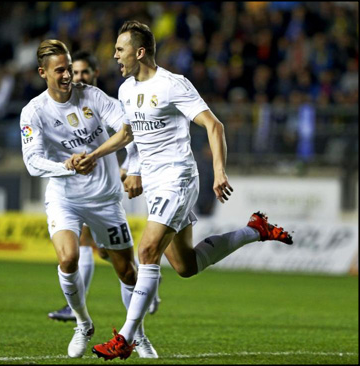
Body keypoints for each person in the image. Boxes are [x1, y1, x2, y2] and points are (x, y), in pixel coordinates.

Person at [72, 20, 293, 360]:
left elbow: (214, 125)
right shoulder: (127, 90)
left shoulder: (173, 85)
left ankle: (127, 339)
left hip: (178, 178)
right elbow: (128, 134)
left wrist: (219, 171)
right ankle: (254, 230)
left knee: (147, 252)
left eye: (120, 49)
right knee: (186, 266)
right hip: (156, 183)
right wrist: (95, 155)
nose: (114, 55)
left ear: (140, 52)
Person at [20, 39, 157, 358]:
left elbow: (130, 128)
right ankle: (82, 324)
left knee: (127, 271)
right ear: (43, 73)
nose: (68, 75)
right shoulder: (34, 112)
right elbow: (32, 161)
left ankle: (136, 334)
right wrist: (65, 166)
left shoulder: (93, 97)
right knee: (67, 259)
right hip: (64, 198)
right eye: (60, 70)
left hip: (105, 199)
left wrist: (133, 167)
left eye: (69, 68)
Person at [47, 50, 162, 322]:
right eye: (74, 73)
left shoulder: (108, 103)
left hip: (108, 187)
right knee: (98, 249)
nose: (78, 77)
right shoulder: (66, 106)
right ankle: (141, 285)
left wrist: (130, 170)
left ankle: (141, 290)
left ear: (95, 74)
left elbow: (134, 138)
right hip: (80, 188)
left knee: (104, 251)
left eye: (84, 72)